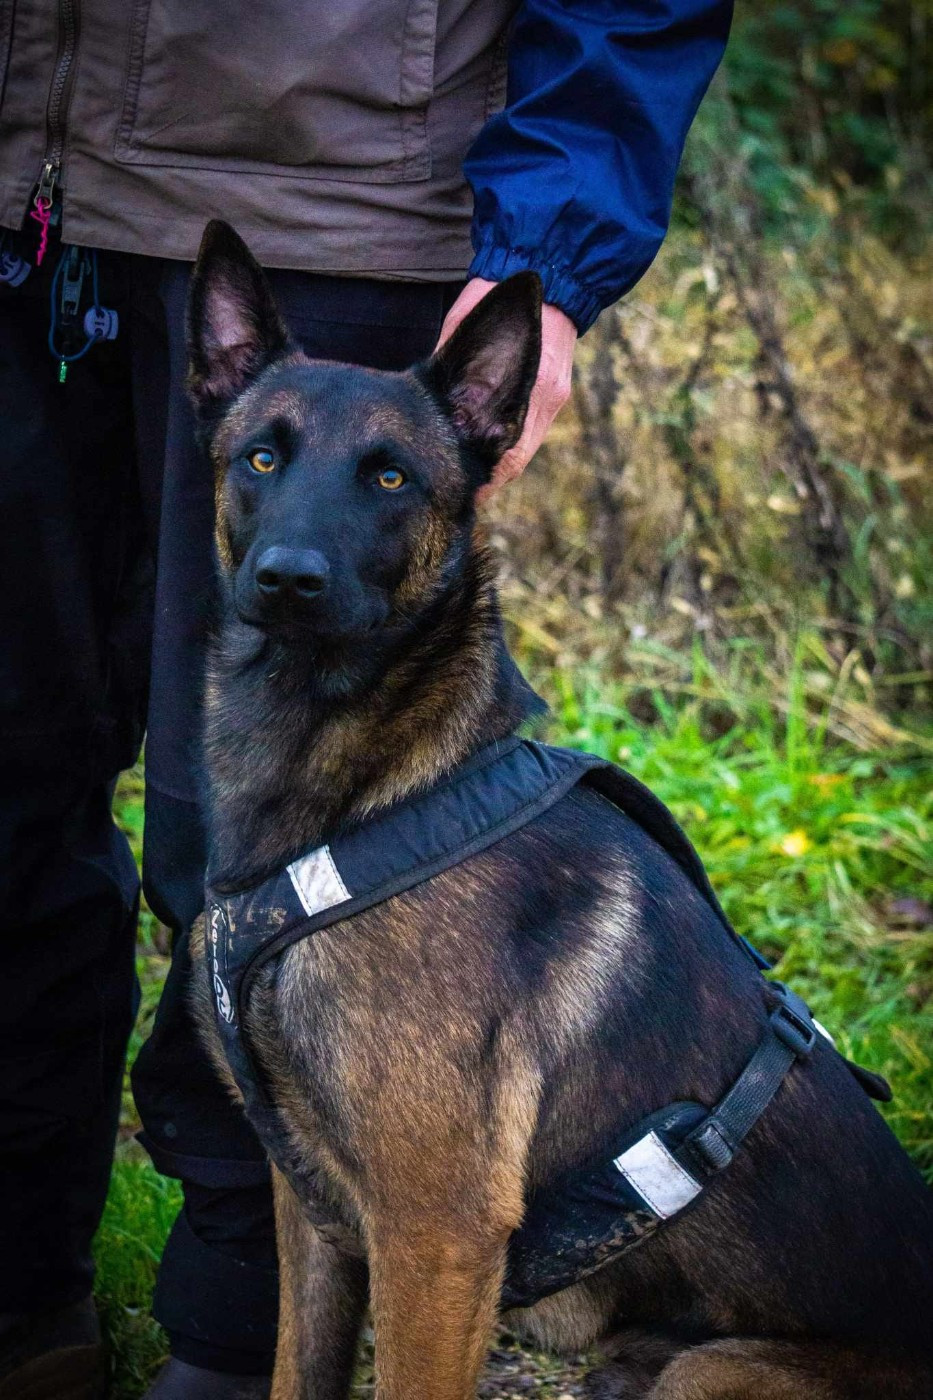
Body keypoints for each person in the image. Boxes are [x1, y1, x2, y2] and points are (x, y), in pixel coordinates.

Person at [0, 2, 732, 1396]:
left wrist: (548, 251)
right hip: (24, 205)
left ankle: (234, 1339)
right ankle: (23, 1298)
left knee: (293, 870)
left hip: (342, 185)